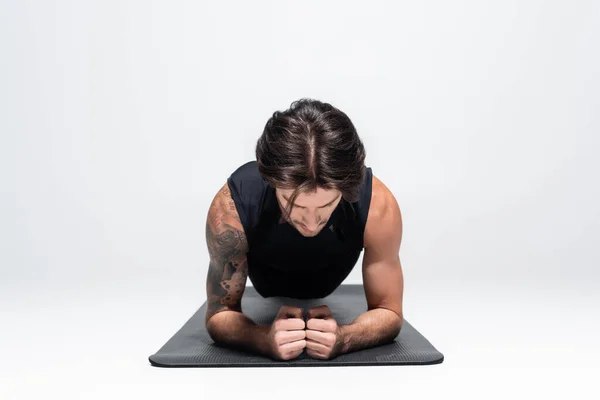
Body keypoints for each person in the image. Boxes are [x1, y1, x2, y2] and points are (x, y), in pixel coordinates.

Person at [204, 98, 404, 361]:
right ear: (270, 180)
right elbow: (219, 313)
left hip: (329, 277)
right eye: (293, 204)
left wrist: (346, 338)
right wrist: (261, 339)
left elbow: (389, 311)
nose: (311, 224)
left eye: (326, 205)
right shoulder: (232, 205)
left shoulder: (378, 205)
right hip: (266, 280)